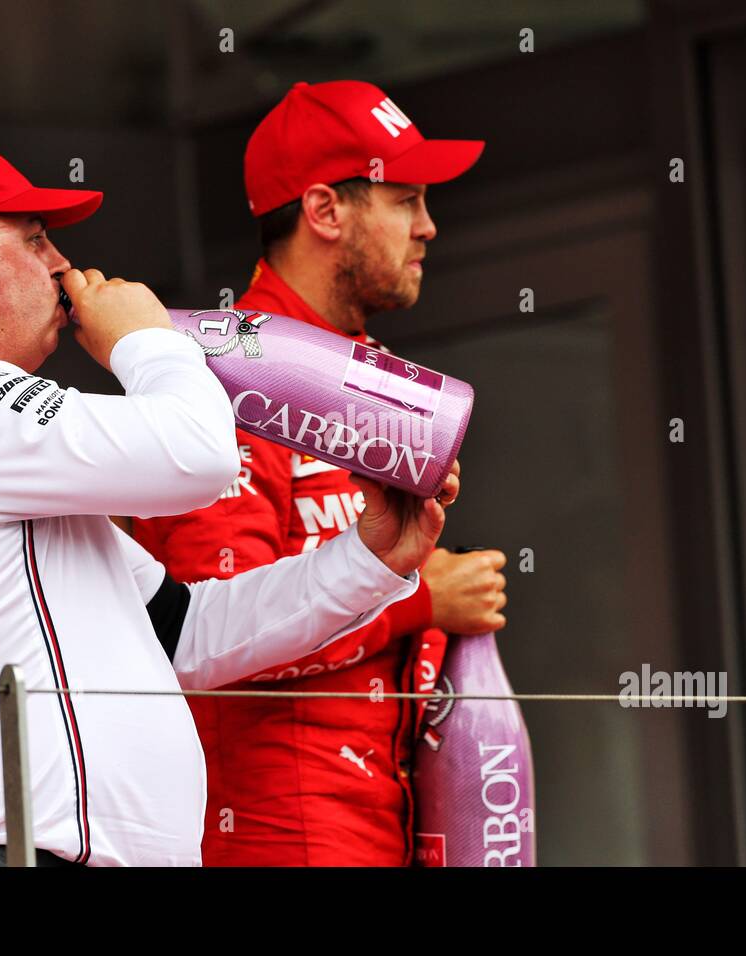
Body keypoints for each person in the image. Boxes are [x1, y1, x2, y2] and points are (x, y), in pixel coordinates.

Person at [0, 137, 458, 866]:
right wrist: (146, 338)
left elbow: (189, 632)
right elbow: (199, 454)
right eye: (37, 241)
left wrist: (369, 557)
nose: (63, 268)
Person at [131, 80, 507, 866]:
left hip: (377, 826)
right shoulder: (228, 381)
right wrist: (425, 597)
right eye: (404, 200)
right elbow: (205, 640)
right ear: (326, 211)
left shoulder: (365, 374)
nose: (429, 227)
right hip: (274, 838)